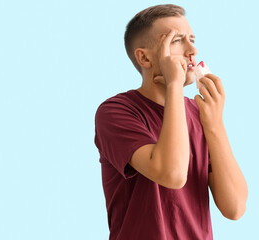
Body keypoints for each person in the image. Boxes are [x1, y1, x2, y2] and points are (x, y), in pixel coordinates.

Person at [94, 4, 248, 240]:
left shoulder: (200, 114)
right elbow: (172, 175)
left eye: (192, 39)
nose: (192, 49)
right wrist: (174, 85)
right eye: (177, 40)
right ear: (144, 57)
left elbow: (235, 207)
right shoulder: (116, 112)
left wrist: (215, 124)